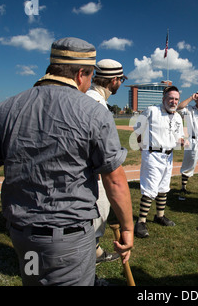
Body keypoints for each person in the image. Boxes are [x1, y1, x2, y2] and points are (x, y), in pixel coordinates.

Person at [0, 37, 134, 286]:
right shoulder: (94, 112)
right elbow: (114, 179)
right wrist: (127, 227)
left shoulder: (5, 108)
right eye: (89, 75)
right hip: (69, 238)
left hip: (21, 234)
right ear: (81, 73)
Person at [85, 59, 128, 264]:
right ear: (114, 80)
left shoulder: (88, 97)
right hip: (92, 174)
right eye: (120, 79)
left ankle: (95, 252)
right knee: (95, 216)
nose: (120, 83)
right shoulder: (96, 104)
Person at [133, 86, 184, 238]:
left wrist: (181, 142)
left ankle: (159, 216)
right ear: (163, 99)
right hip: (153, 155)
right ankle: (141, 221)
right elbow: (138, 128)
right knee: (150, 188)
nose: (173, 101)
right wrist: (142, 145)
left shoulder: (178, 117)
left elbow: (178, 137)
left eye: (176, 99)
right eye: (170, 98)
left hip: (168, 156)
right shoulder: (152, 111)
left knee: (163, 187)